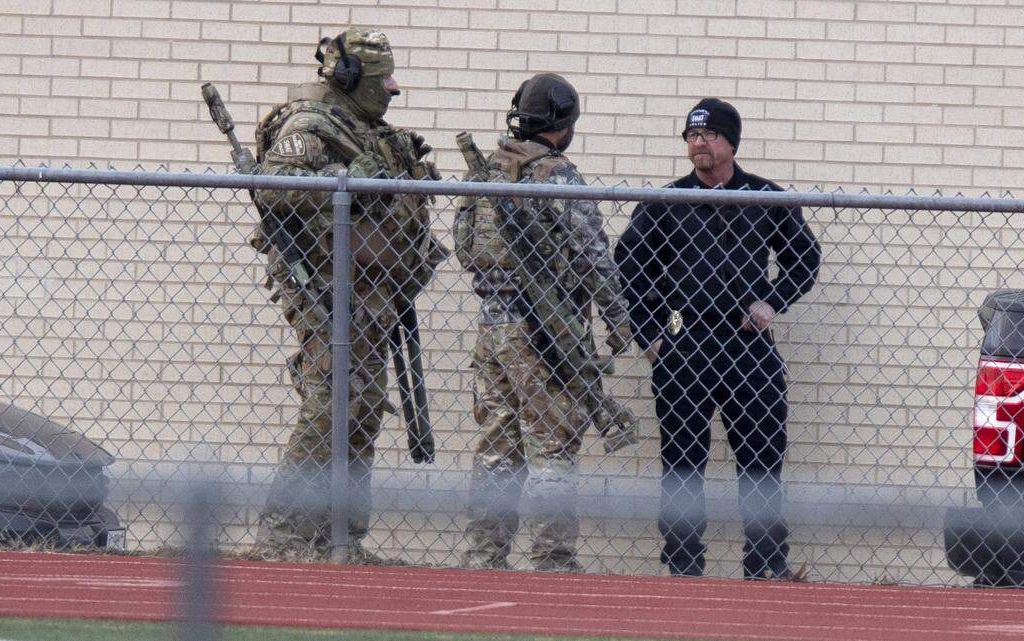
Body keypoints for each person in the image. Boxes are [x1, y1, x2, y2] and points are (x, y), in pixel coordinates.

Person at [249, 27, 446, 562]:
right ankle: (284, 536)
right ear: (350, 76)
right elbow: (273, 185)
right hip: (328, 292)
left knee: (361, 410)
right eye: (382, 80)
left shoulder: (363, 126)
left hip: (372, 295)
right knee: (328, 406)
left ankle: (341, 538)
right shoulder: (311, 123)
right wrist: (347, 180)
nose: (392, 90)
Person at [614, 98, 821, 578]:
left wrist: (771, 301)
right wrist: (650, 337)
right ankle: (683, 563)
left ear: (730, 142)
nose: (697, 143)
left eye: (707, 135)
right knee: (682, 462)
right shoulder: (668, 202)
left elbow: (804, 260)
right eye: (690, 135)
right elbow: (630, 271)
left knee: (762, 458)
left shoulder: (765, 197)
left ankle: (766, 562)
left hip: (748, 348)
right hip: (685, 347)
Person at [452, 73, 636, 572]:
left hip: (493, 325)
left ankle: (483, 558)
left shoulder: (486, 170)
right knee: (552, 443)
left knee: (498, 446)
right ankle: (553, 561)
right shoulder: (555, 174)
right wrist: (618, 319)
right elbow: (593, 254)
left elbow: (466, 247)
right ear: (562, 122)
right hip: (544, 328)